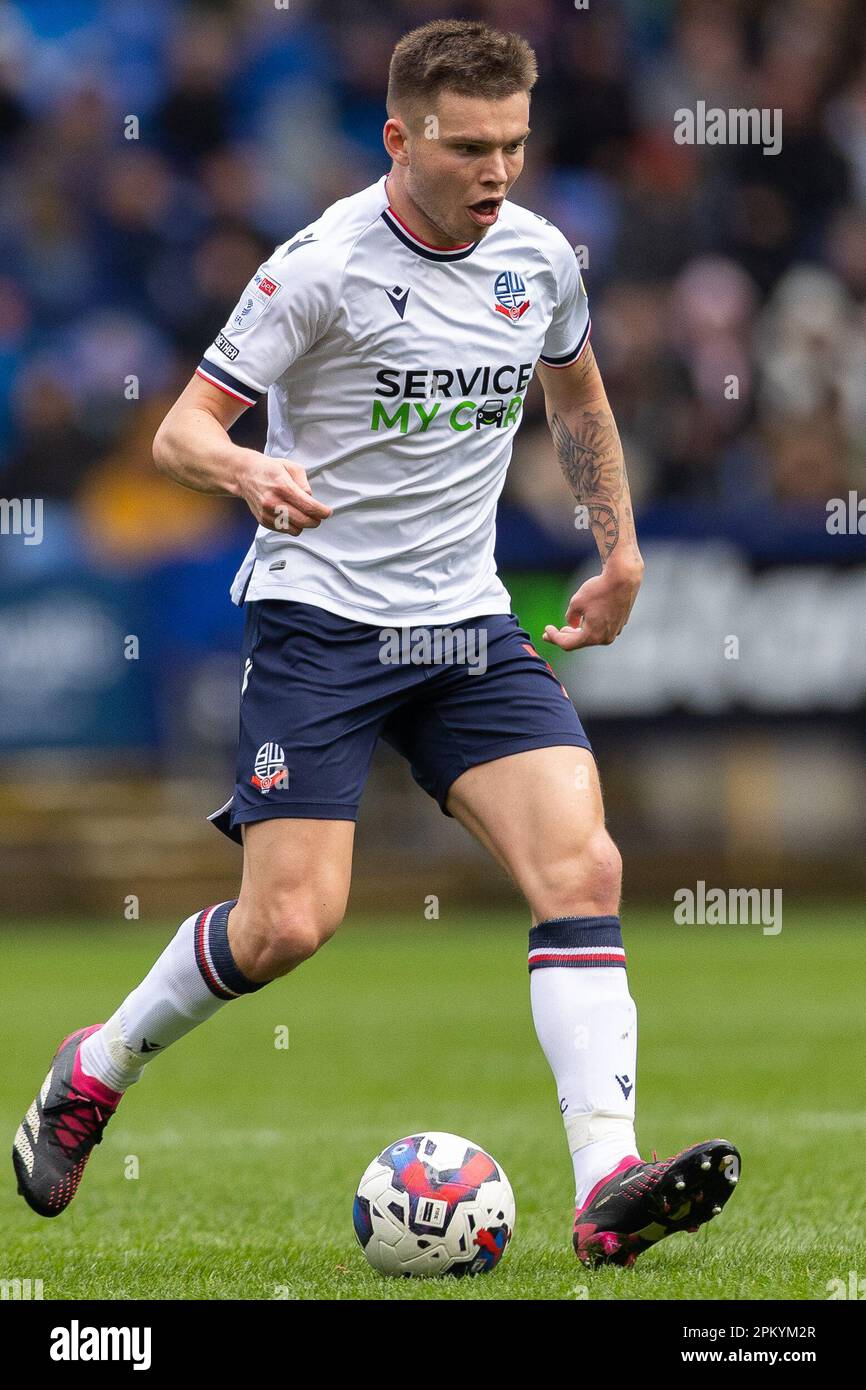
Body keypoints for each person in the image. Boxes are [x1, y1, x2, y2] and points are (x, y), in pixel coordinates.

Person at [13, 18, 739, 1267]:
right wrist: (248, 471)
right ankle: (97, 1065)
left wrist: (615, 551)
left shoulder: (539, 256)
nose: (497, 171)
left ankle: (607, 1180)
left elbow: (576, 396)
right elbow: (179, 433)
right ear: (399, 138)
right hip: (322, 624)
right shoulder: (320, 266)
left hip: (463, 620)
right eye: (468, 148)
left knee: (582, 871)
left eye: (513, 143)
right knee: (289, 923)